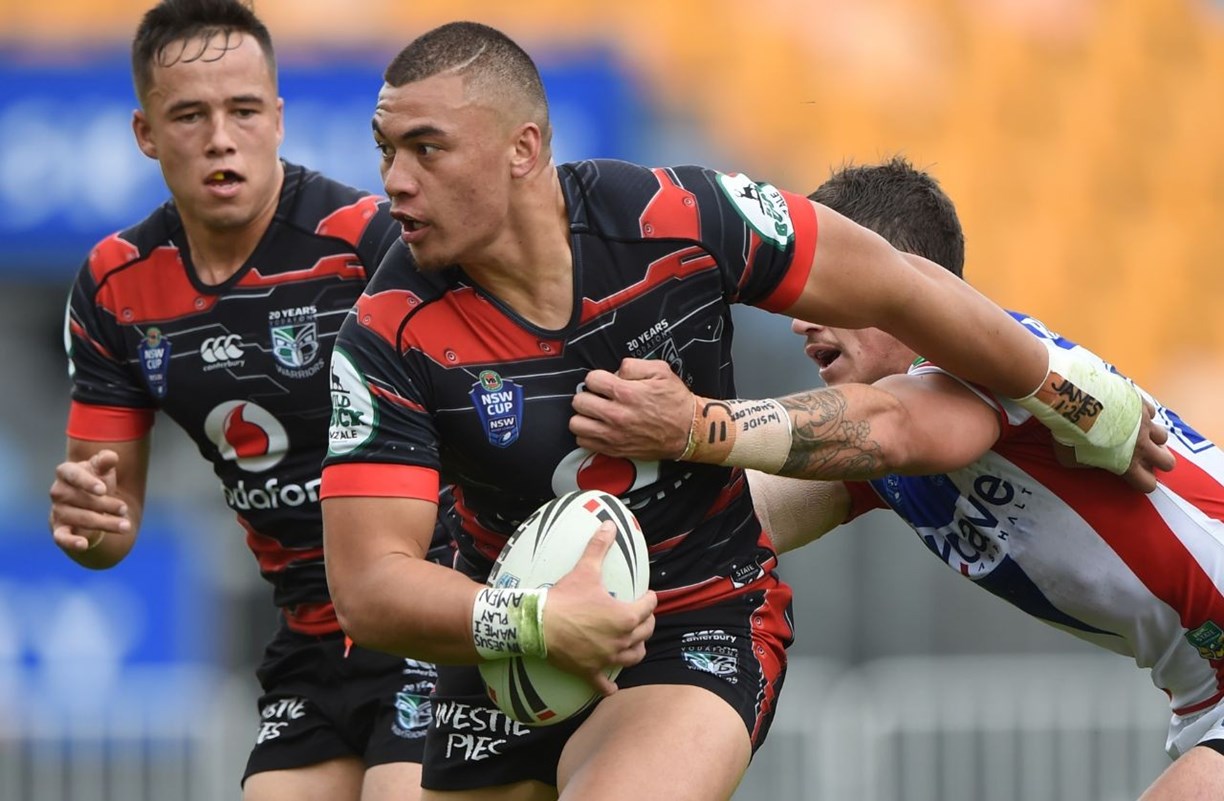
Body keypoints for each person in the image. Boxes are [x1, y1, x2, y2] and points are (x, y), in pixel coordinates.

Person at [318, 23, 1166, 801]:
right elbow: (367, 587)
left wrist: (1080, 399)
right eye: (386, 149)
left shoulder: (677, 218)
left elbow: (899, 285)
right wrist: (537, 619)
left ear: (523, 148)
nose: (395, 180)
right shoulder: (385, 333)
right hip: (508, 645)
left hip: (694, 619)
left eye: (426, 148)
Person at [568, 157, 1222, 801]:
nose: (798, 321)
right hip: (1204, 695)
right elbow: (727, 526)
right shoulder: (885, 462)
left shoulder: (985, 373)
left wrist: (696, 423)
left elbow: (889, 423)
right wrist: (567, 573)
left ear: (893, 283)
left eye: (819, 293)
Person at [45, 1, 447, 799]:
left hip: (434, 615)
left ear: (279, 119)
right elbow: (107, 525)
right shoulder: (115, 286)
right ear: (146, 133)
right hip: (309, 636)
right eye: (189, 116)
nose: (221, 138)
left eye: (244, 110)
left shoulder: (369, 243)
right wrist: (87, 524)